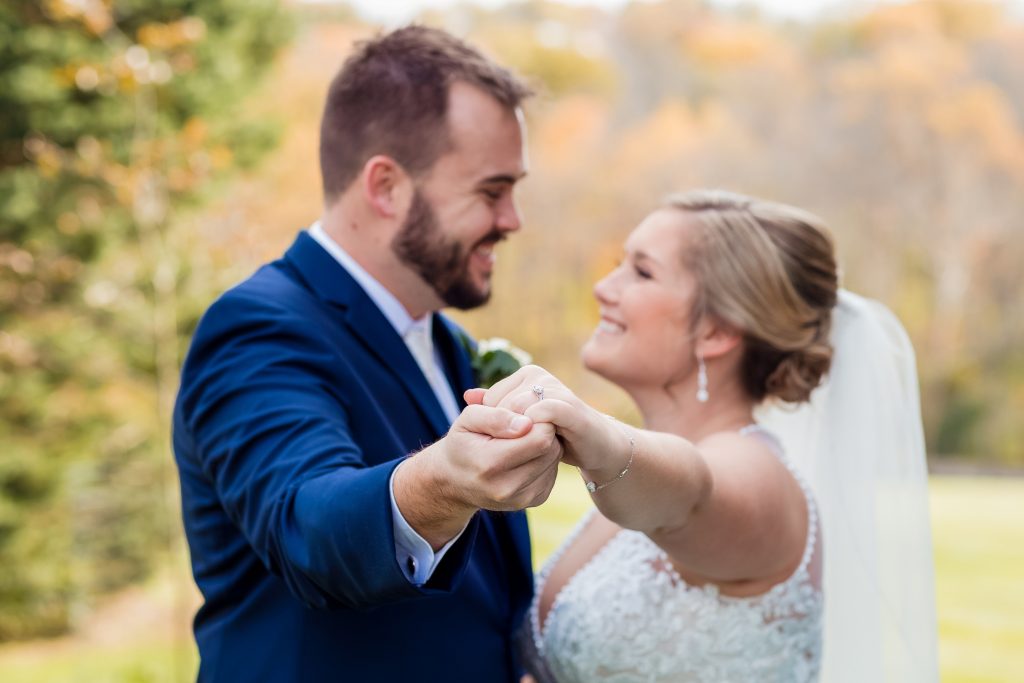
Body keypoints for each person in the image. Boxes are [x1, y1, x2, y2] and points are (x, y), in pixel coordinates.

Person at [172, 26, 562, 682]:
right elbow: (308, 526)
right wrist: (446, 479)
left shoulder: (445, 342)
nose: (513, 219)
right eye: (491, 191)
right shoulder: (258, 326)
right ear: (385, 186)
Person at [470, 190, 938, 682]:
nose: (604, 287)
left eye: (642, 272)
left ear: (716, 330)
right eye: (618, 264)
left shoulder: (759, 476)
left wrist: (596, 435)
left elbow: (693, 493)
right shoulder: (637, 481)